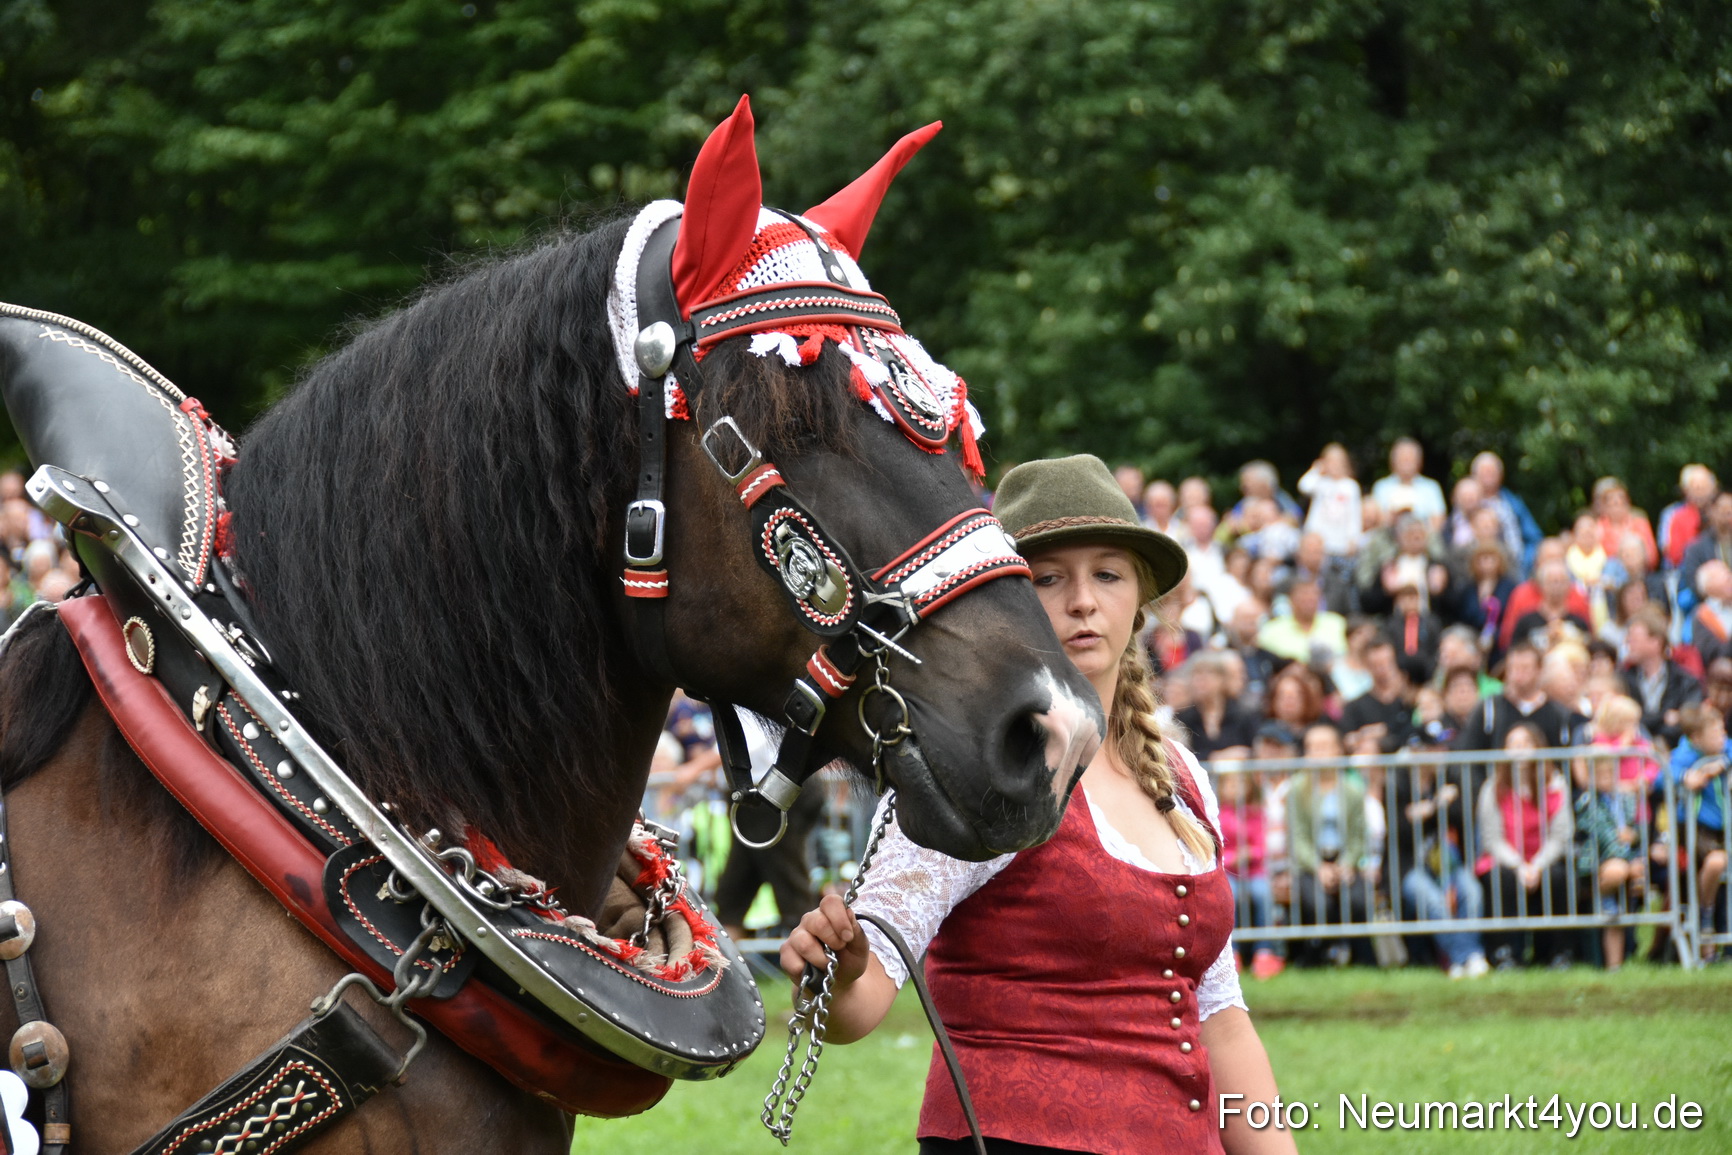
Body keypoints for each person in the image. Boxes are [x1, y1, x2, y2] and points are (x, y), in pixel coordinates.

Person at [781, 454, 1293, 1155]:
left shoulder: (1182, 779)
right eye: (1049, 578)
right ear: (1006, 601)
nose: (1083, 600)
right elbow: (864, 998)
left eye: (1107, 574)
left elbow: (1221, 1018)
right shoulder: (976, 772)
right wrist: (835, 972)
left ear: (1138, 600)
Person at [1476, 723, 1575, 968]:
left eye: (1526, 743)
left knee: (1558, 878)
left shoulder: (1556, 785)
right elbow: (1492, 838)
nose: (1519, 750)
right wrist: (1519, 865)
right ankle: (1505, 953)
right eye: (1513, 744)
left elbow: (1560, 835)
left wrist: (1537, 865)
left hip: (1544, 858)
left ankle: (1556, 953)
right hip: (1506, 859)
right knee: (1502, 880)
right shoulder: (1493, 788)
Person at [1286, 722, 1374, 966]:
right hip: (1312, 862)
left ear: (1338, 750)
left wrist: (1347, 864)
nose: (1318, 753)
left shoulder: (1352, 789)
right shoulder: (1297, 788)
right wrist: (1318, 867)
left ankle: (1360, 958)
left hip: (1344, 858)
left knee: (1357, 899)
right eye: (1312, 747)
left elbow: (1359, 835)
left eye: (1324, 746)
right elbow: (1298, 837)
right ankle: (1318, 957)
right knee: (1316, 901)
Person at [1662, 705, 1728, 956]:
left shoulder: (1725, 750)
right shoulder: (1686, 754)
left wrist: (1723, 762)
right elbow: (1665, 773)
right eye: (1715, 733)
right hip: (1696, 827)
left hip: (1724, 827)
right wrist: (1686, 777)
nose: (1721, 736)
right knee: (1715, 862)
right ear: (1696, 738)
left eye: (1722, 731)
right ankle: (1705, 911)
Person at [1571, 748, 1645, 970]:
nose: (1606, 778)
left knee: (1634, 875)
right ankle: (1606, 904)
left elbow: (1636, 830)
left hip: (1622, 859)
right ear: (1590, 776)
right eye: (1600, 774)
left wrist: (1633, 839)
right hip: (1596, 863)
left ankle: (1617, 965)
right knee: (1619, 873)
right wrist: (1626, 855)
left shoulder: (1626, 800)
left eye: (1610, 773)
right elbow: (1601, 835)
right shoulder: (1586, 802)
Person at [1455, 641, 1570, 750]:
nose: (1518, 675)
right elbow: (1470, 747)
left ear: (1539, 670)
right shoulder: (1490, 709)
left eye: (1525, 668)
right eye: (1513, 668)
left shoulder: (1556, 713)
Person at [1617, 608, 1703, 748]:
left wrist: (1661, 739)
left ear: (1656, 642)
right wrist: (1663, 717)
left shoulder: (1686, 681)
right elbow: (1623, 721)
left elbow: (1689, 722)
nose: (1628, 644)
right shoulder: (1623, 679)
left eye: (1634, 640)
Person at [1469, 451, 1541, 577]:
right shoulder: (1468, 504)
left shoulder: (1513, 503)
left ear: (1501, 475)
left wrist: (1526, 562)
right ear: (1474, 476)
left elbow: (1534, 537)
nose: (1488, 476)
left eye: (1492, 472)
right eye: (1484, 472)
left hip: (1516, 570)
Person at [1340, 634, 1416, 753]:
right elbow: (1348, 741)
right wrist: (1363, 736)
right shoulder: (1354, 707)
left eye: (1388, 662)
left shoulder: (1410, 701)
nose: (1383, 669)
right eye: (1376, 664)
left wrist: (1383, 730)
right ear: (1366, 665)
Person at [1255, 576, 1347, 666]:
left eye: (1314, 595)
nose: (1309, 599)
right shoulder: (1272, 630)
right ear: (1290, 599)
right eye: (1303, 595)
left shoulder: (1337, 624)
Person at [1296, 443, 1363, 560]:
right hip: (1317, 541)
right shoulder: (1320, 482)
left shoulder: (1350, 486)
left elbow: (1354, 514)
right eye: (1331, 461)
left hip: (1340, 544)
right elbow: (1303, 486)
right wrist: (1316, 470)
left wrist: (1354, 538)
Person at [1370, 438, 1447, 533]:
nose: (1406, 463)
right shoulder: (1381, 487)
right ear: (1392, 462)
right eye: (1402, 459)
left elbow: (1438, 521)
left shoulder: (1431, 487)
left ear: (1419, 462)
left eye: (1410, 459)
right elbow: (1374, 522)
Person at [1593, 477, 1658, 573]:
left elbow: (1652, 556)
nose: (1617, 507)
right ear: (1605, 507)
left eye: (1621, 502)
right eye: (1612, 503)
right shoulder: (1598, 527)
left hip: (1640, 573)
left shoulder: (1640, 523)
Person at [1659, 464, 1717, 571]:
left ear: (1713, 489)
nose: (1700, 492)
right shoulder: (1678, 517)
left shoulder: (1721, 513)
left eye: (1704, 487)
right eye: (1696, 488)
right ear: (1686, 491)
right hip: (1688, 569)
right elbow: (1674, 555)